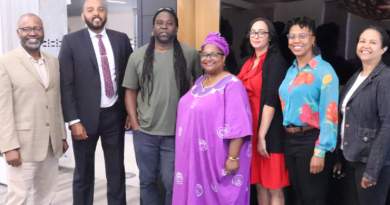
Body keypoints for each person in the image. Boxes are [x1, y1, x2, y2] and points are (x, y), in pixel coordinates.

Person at [122, 7, 202, 205]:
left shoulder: (190, 54)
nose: (164, 26)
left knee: (172, 182)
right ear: (153, 27)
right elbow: (130, 91)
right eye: (160, 23)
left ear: (176, 28)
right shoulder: (138, 56)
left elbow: (201, 88)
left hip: (177, 133)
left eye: (169, 23)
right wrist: (134, 123)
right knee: (147, 180)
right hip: (145, 132)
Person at [58, 0, 133, 204]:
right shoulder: (71, 41)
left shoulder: (121, 39)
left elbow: (129, 78)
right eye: (90, 10)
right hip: (83, 119)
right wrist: (73, 121)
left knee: (116, 171)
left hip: (114, 116)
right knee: (83, 173)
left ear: (105, 14)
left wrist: (128, 112)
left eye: (100, 9)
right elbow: (66, 84)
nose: (96, 13)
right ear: (83, 16)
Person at [172, 32, 253, 205]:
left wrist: (233, 158)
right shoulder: (199, 82)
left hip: (215, 159)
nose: (208, 58)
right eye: (204, 54)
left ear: (224, 58)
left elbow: (238, 125)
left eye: (214, 54)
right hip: (192, 159)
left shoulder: (232, 84)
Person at [0, 13, 68, 204]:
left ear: (43, 31)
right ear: (18, 32)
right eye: (27, 29)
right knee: (18, 197)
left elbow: (56, 102)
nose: (33, 33)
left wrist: (61, 135)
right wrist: (8, 147)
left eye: (37, 28)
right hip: (22, 146)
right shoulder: (5, 62)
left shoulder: (53, 62)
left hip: (51, 144)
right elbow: (3, 109)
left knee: (47, 195)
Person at [278, 16, 339, 205]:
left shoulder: (324, 71)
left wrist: (320, 151)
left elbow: (331, 114)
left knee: (313, 198)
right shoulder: (292, 70)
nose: (296, 41)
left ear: (313, 40)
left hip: (311, 141)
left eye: (302, 36)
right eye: (292, 36)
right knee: (298, 196)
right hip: (290, 140)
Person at [334, 26, 390, 205]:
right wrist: (340, 157)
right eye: (362, 41)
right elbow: (345, 118)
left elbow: (387, 125)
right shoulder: (356, 76)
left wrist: (372, 170)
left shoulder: (385, 78)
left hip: (371, 162)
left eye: (373, 42)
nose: (366, 45)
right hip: (352, 158)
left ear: (384, 49)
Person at [238, 18, 289, 205]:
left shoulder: (277, 62)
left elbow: (271, 99)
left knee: (274, 187)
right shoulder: (246, 62)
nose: (256, 36)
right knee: (258, 185)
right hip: (249, 130)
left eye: (261, 32)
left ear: (270, 37)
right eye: (253, 32)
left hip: (268, 132)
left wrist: (261, 136)